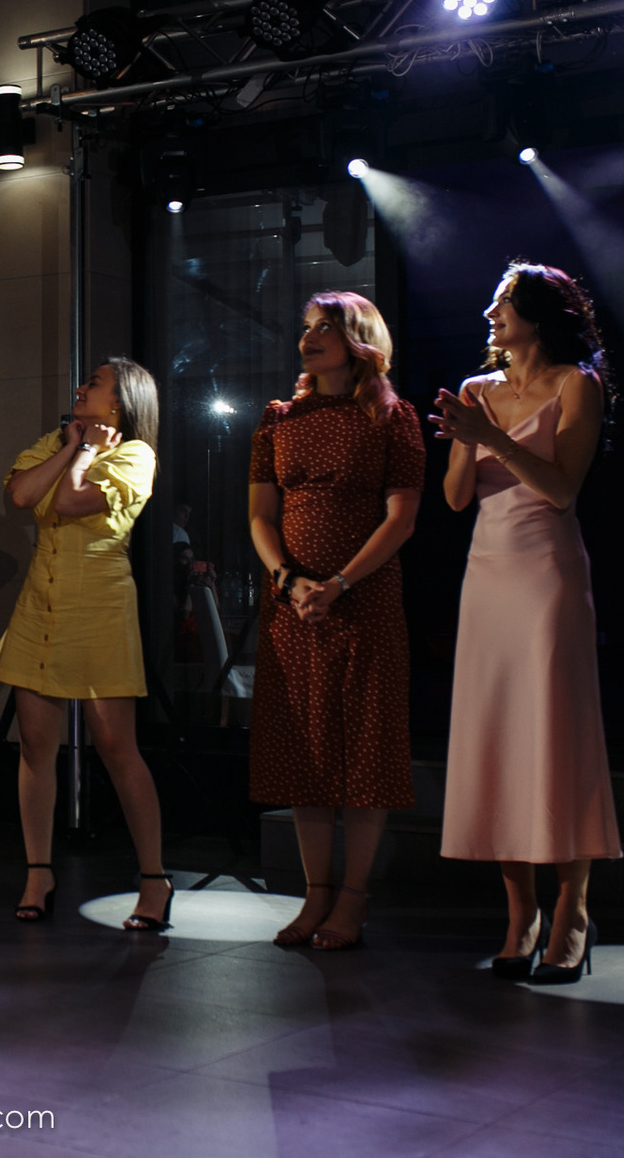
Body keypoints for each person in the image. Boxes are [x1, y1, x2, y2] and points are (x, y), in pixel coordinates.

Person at [432, 262, 620, 985]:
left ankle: (573, 910)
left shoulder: (578, 385)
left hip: (547, 575)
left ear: (539, 314)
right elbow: (455, 499)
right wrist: (466, 438)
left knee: (554, 735)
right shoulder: (476, 390)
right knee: (498, 738)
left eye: (504, 302)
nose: (490, 313)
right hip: (487, 575)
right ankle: (521, 916)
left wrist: (495, 437)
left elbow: (562, 489)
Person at [248, 291, 423, 952]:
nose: (309, 336)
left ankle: (353, 898)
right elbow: (260, 515)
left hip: (364, 602)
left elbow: (402, 518)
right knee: (305, 753)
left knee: (365, 752)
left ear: (359, 340)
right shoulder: (278, 417)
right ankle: (315, 894)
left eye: (326, 326)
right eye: (306, 326)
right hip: (292, 606)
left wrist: (340, 582)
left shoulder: (392, 416)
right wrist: (289, 580)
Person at [0, 360, 170, 929]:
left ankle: (154, 878)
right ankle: (38, 871)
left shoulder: (136, 455)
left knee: (115, 746)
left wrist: (84, 453)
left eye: (93, 383)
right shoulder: (58, 440)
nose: (80, 388)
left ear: (121, 401)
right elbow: (22, 495)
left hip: (99, 606)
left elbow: (68, 502)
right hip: (40, 603)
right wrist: (72, 446)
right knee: (35, 746)